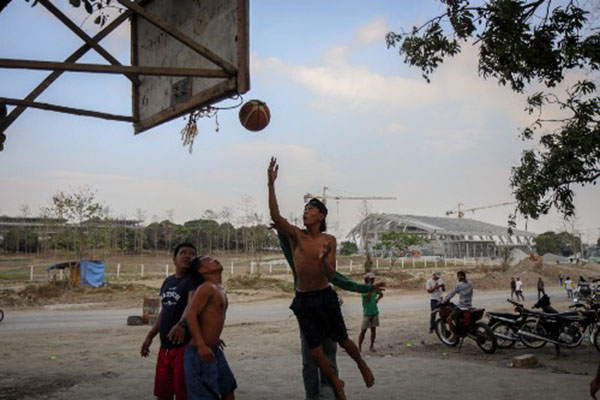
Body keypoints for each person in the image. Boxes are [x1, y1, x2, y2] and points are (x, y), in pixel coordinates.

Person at [267, 157, 374, 400]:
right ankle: (337, 384)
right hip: (304, 300)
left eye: (311, 209)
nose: (306, 212)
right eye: (305, 209)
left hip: (325, 296)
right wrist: (271, 184)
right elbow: (275, 213)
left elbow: (332, 275)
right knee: (314, 353)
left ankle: (362, 365)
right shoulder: (296, 236)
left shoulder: (329, 240)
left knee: (343, 341)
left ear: (321, 215)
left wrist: (324, 259)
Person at [275, 229, 383, 400]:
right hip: (308, 310)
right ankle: (324, 391)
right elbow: (287, 247)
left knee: (322, 356)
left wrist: (368, 288)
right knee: (313, 358)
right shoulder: (299, 263)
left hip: (325, 307)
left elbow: (342, 281)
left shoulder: (323, 266)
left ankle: (333, 389)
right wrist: (281, 231)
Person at [141, 243, 199, 400]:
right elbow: (164, 312)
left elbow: (191, 305)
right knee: (163, 393)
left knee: (183, 394)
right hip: (164, 348)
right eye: (183, 253)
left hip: (183, 348)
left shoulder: (193, 280)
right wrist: (150, 336)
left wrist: (182, 324)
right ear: (174, 259)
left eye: (192, 254)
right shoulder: (168, 282)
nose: (188, 256)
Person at [185, 256, 237, 400]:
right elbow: (191, 315)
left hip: (213, 349)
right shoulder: (206, 287)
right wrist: (201, 345)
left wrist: (214, 337)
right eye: (209, 259)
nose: (215, 259)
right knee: (205, 395)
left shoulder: (218, 288)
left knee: (228, 387)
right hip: (200, 352)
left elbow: (209, 317)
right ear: (202, 270)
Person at [442, 270, 473, 341]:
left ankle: (455, 335)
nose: (458, 277)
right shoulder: (470, 283)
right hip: (469, 306)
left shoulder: (459, 285)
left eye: (458, 276)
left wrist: (443, 301)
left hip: (462, 307)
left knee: (449, 319)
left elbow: (451, 294)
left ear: (459, 276)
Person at [358, 272, 384, 352]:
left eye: (373, 279)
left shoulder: (373, 288)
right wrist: (373, 289)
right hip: (367, 313)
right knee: (363, 330)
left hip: (374, 312)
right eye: (371, 278)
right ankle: (359, 347)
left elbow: (381, 294)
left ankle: (371, 346)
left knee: (373, 330)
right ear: (367, 279)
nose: (372, 280)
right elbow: (367, 298)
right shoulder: (364, 288)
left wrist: (377, 300)